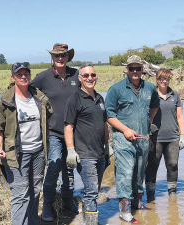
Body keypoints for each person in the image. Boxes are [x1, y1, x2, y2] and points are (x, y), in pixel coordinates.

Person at [0, 62, 53, 225]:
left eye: (26, 73)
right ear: (13, 77)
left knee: (34, 192)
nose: (23, 76)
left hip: (38, 153)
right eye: (19, 74)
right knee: (20, 195)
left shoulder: (38, 97)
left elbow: (49, 119)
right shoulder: (5, 101)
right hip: (16, 155)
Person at [105, 55, 160, 223]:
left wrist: (148, 121)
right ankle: (124, 211)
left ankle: (138, 203)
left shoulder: (150, 88)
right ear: (126, 70)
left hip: (143, 137)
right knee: (125, 173)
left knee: (139, 172)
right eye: (131, 68)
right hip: (123, 139)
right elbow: (109, 115)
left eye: (138, 68)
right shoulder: (116, 89)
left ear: (143, 69)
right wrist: (125, 130)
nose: (135, 71)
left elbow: (155, 106)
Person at [30, 43, 81, 221]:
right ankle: (48, 205)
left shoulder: (76, 75)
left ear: (68, 57)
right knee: (53, 166)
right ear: (52, 57)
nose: (60, 58)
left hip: (73, 131)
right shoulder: (43, 77)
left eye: (63, 55)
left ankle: (68, 199)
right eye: (56, 55)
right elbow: (26, 91)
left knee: (69, 167)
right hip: (53, 132)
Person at [64, 64, 109, 224]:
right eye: (86, 75)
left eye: (92, 75)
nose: (90, 78)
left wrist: (107, 147)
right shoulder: (74, 100)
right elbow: (68, 126)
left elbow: (104, 124)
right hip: (85, 154)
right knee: (91, 192)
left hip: (100, 153)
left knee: (95, 190)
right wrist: (70, 150)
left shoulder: (99, 98)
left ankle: (89, 220)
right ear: (80, 78)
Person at [145, 68, 184, 202]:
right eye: (161, 79)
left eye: (167, 79)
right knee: (152, 166)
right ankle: (150, 195)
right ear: (157, 80)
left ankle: (172, 193)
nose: (164, 81)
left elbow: (180, 117)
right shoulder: (151, 95)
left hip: (173, 138)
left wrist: (183, 136)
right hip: (155, 138)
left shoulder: (174, 95)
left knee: (173, 165)